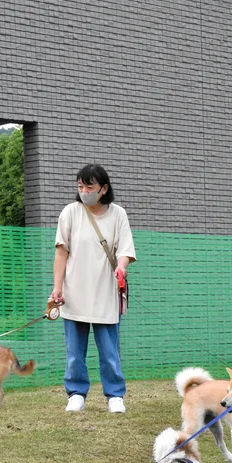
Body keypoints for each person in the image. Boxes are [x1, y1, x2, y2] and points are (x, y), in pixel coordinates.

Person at [50, 164, 136, 413]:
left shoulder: (118, 214)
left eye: (89, 186)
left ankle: (115, 395)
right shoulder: (70, 212)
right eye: (80, 186)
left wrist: (121, 267)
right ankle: (76, 393)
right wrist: (57, 289)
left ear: (103, 189)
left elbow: (125, 251)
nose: (84, 191)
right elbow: (61, 251)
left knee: (110, 351)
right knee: (74, 352)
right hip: (73, 292)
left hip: (106, 292)